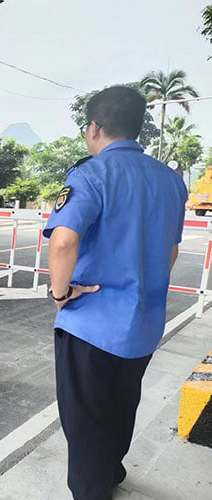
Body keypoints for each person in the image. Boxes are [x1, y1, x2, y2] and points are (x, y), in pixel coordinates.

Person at [44, 86, 187, 500]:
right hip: (142, 322)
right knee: (122, 402)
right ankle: (112, 467)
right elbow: (171, 250)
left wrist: (59, 292)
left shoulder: (91, 173)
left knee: (84, 415)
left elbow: (63, 242)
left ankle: (92, 489)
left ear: (94, 127)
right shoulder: (170, 181)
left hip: (91, 323)